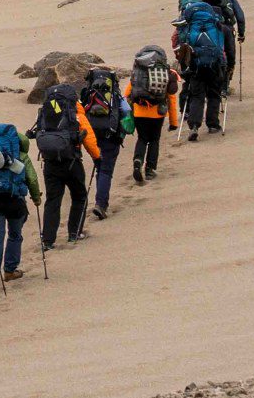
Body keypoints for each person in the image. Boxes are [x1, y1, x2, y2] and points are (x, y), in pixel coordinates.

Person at [31, 79, 99, 250]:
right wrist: (97, 157)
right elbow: (89, 139)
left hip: (50, 162)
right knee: (79, 196)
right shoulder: (75, 113)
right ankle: (74, 233)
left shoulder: (46, 113)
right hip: (72, 161)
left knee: (53, 200)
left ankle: (48, 240)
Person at [0, 121, 40, 292]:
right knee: (15, 235)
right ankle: (10, 271)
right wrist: (36, 199)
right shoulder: (21, 155)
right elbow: (32, 179)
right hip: (15, 200)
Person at [177, 0, 232, 141]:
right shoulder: (218, 26)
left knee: (197, 96)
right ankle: (213, 124)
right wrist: (228, 67)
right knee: (214, 94)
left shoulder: (190, 27)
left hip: (196, 65)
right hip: (215, 64)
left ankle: (194, 125)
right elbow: (225, 49)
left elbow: (184, 48)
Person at [78, 64, 130, 220]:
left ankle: (98, 202)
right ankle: (101, 204)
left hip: (92, 136)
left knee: (99, 167)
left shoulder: (88, 93)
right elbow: (126, 111)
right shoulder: (115, 95)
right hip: (110, 136)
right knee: (106, 170)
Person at [127, 42, 179, 183]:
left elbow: (128, 94)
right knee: (154, 140)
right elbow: (171, 99)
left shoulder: (138, 71)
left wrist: (128, 115)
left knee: (142, 138)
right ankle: (149, 170)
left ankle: (137, 160)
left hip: (139, 112)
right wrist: (173, 122)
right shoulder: (166, 72)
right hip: (157, 114)